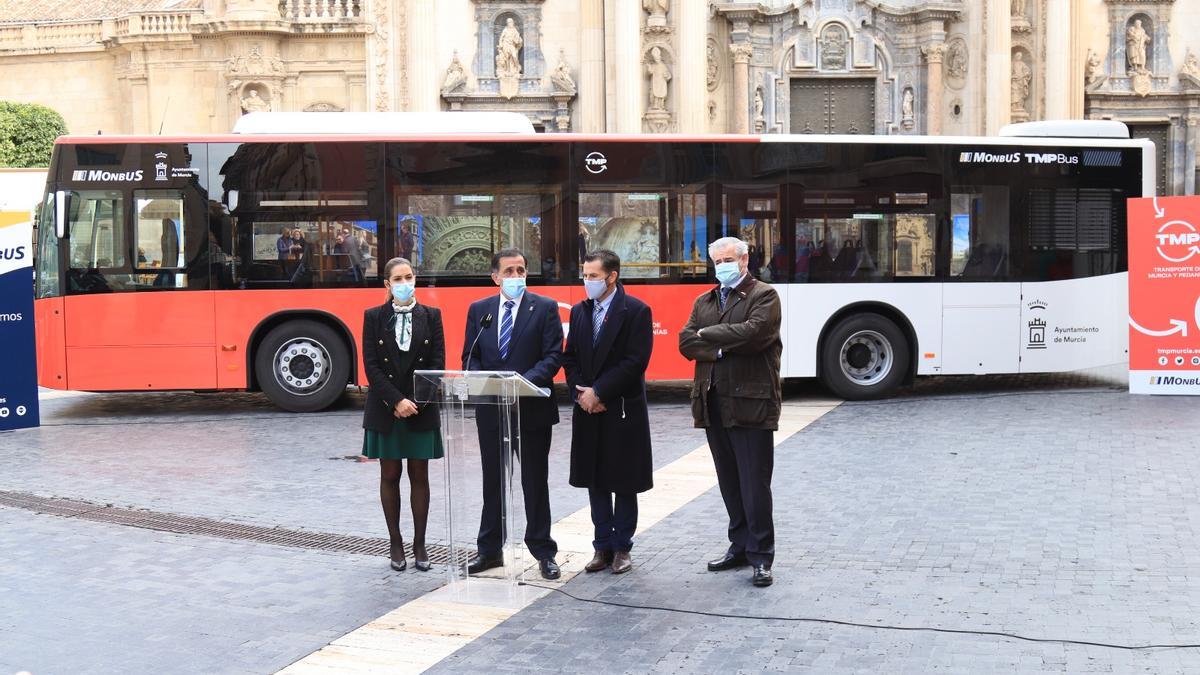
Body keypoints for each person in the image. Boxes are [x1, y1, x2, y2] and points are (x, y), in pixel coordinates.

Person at [678, 236, 783, 588]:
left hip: (751, 402)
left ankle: (761, 555)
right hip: (713, 402)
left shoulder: (764, 295)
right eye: (717, 260)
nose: (723, 265)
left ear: (744, 259)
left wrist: (708, 335)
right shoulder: (705, 299)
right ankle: (739, 545)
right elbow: (685, 341)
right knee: (729, 481)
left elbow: (756, 334)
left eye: (729, 259)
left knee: (755, 483)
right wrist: (720, 348)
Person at [462, 248, 564, 580]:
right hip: (492, 411)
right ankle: (489, 551)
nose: (516, 276)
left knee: (534, 482)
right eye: (509, 271)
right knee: (493, 481)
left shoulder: (544, 308)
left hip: (531, 409)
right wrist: (483, 380)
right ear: (495, 277)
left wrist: (521, 383)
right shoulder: (480, 310)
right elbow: (471, 356)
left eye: (521, 270)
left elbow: (552, 357)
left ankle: (543, 551)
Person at [562, 250, 654, 575]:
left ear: (612, 276)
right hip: (588, 409)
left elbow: (635, 362)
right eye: (585, 276)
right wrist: (582, 393)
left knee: (624, 481)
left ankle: (622, 547)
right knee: (595, 480)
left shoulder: (636, 312)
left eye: (593, 276)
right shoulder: (580, 312)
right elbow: (569, 357)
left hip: (621, 409)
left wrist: (600, 392)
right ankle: (601, 546)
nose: (588, 282)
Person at [361, 257, 445, 572]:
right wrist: (397, 401)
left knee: (420, 476)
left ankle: (420, 543)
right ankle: (395, 543)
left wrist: (417, 402)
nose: (405, 283)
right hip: (386, 410)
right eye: (398, 278)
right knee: (390, 475)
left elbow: (437, 363)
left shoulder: (432, 316)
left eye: (409, 276)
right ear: (387, 284)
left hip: (420, 409)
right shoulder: (373, 317)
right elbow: (372, 366)